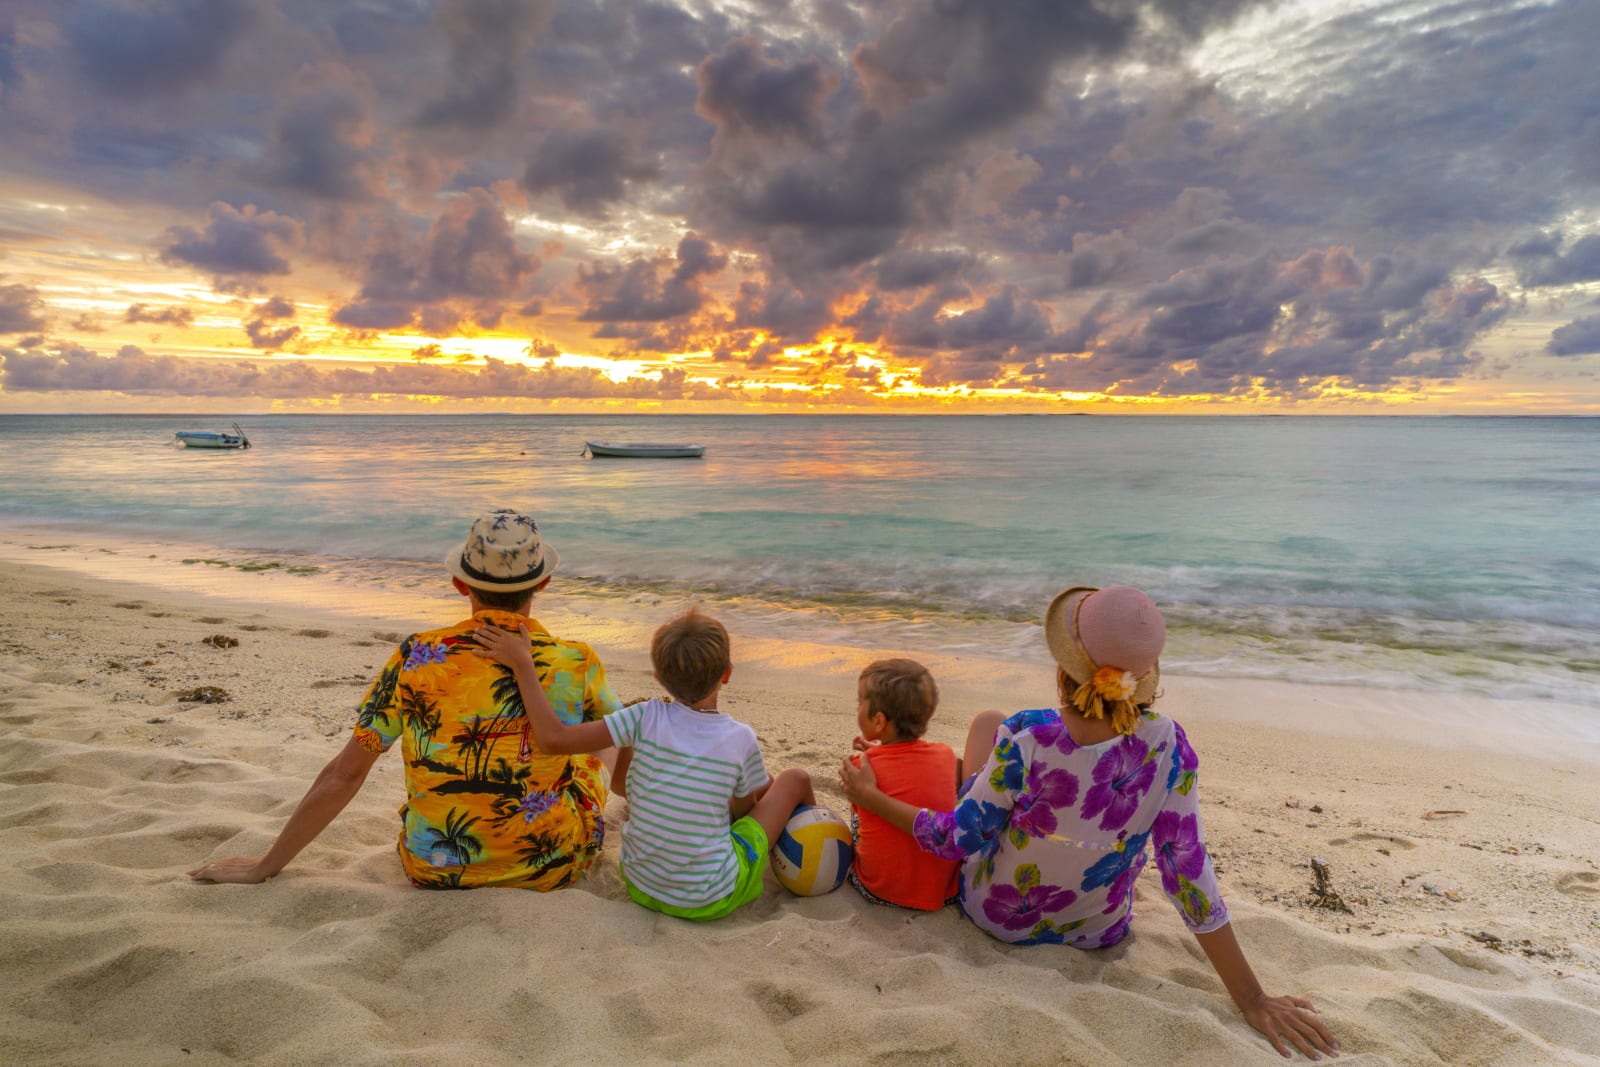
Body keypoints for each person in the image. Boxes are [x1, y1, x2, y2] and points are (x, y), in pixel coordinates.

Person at [840, 586, 1339, 1060]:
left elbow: (955, 840)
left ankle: (918, 766)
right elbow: (1186, 874)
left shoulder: (1026, 736)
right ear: (1144, 678)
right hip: (1097, 929)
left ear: (1064, 668)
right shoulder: (1169, 748)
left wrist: (871, 796)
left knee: (986, 723)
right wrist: (1252, 997)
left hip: (998, 917)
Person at [189, 508, 625, 891]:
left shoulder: (416, 656)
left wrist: (266, 866)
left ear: (459, 583)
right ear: (544, 582)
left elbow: (345, 773)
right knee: (604, 737)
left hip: (432, 868)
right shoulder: (576, 661)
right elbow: (629, 738)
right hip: (549, 871)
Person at [476, 607, 815, 921]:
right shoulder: (740, 737)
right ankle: (816, 848)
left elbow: (555, 741)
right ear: (726, 674)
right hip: (710, 898)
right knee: (793, 778)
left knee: (751, 781)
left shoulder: (641, 716)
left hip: (641, 886)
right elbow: (741, 817)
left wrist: (524, 665)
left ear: (657, 676)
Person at [845, 658, 960, 910]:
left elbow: (861, 805)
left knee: (856, 819)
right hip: (945, 892)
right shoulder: (946, 755)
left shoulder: (860, 766)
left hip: (879, 890)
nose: (857, 707)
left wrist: (872, 757)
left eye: (859, 703)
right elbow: (908, 770)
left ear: (878, 721)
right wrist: (880, 752)